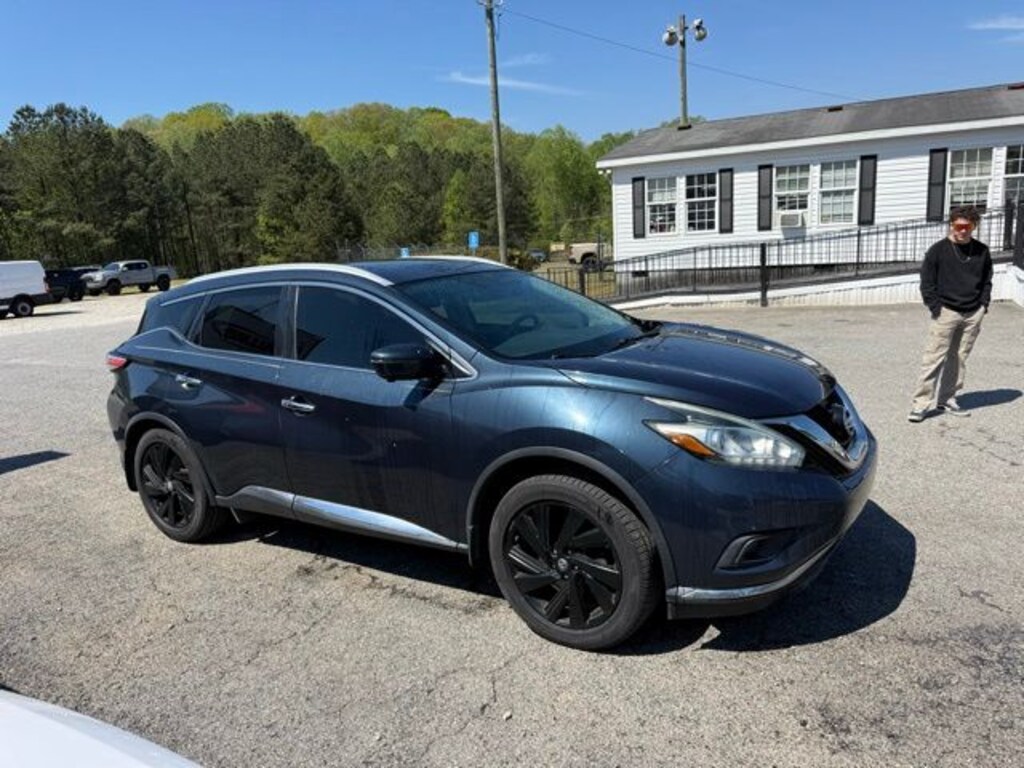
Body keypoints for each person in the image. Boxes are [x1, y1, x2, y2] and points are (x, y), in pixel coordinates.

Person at [908, 205, 993, 422]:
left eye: (968, 226)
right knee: (933, 358)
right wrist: (936, 307)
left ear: (974, 227)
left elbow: (986, 281)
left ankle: (947, 399)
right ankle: (921, 404)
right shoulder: (938, 250)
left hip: (973, 313)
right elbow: (927, 282)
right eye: (958, 226)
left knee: (959, 358)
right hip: (946, 311)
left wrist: (983, 305)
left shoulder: (982, 251)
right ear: (952, 225)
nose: (962, 230)